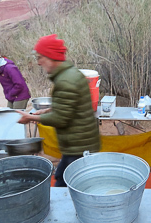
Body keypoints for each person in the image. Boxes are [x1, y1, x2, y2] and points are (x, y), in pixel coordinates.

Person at [16, 34, 100, 187]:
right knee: (63, 178)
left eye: (40, 57)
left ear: (50, 56)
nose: (39, 62)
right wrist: (48, 110)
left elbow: (61, 119)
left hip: (78, 146)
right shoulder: (70, 74)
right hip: (79, 143)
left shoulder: (65, 80)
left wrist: (31, 118)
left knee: (67, 184)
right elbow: (73, 105)